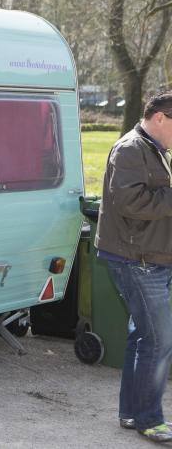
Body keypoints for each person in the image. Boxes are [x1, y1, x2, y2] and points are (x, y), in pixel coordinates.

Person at [96, 92, 172, 443]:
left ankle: (131, 413)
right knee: (159, 341)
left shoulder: (154, 149)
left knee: (142, 337)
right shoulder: (131, 150)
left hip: (151, 258)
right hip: (137, 262)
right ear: (160, 117)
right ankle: (149, 419)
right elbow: (131, 203)